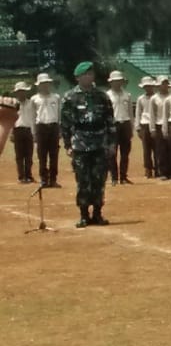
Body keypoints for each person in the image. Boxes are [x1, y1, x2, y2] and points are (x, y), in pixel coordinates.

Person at [60, 61, 115, 227]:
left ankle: (97, 213)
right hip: (80, 144)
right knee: (83, 180)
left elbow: (110, 121)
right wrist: (68, 145)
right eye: (85, 74)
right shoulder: (70, 97)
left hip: (99, 143)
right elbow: (65, 124)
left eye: (91, 74)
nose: (89, 77)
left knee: (99, 179)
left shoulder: (102, 97)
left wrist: (111, 143)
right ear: (78, 77)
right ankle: (84, 214)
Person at [32, 72, 61, 188]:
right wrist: (34, 132)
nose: (45, 86)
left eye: (47, 83)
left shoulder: (56, 97)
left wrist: (60, 130)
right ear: (38, 85)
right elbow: (32, 116)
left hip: (53, 126)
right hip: (41, 127)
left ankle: (53, 179)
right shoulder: (34, 99)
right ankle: (44, 179)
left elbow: (59, 115)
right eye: (42, 84)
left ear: (49, 84)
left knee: (54, 155)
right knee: (42, 155)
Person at [105, 70, 134, 184]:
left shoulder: (127, 95)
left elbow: (131, 113)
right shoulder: (107, 95)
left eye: (120, 81)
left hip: (125, 123)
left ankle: (123, 176)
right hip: (113, 124)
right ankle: (114, 177)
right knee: (112, 152)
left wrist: (131, 128)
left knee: (125, 152)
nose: (118, 83)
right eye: (115, 81)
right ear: (111, 82)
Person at [11, 82, 35, 183]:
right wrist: (11, 132)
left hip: (29, 130)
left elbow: (34, 118)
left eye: (23, 91)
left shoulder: (31, 103)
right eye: (19, 91)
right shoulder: (12, 104)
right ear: (16, 93)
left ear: (26, 92)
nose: (21, 93)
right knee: (19, 156)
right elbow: (11, 119)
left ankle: (28, 175)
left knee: (29, 155)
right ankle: (21, 176)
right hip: (17, 130)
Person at [151, 76, 171, 179]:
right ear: (158, 85)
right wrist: (153, 128)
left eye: (166, 83)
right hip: (159, 125)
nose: (164, 86)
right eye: (162, 84)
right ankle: (163, 172)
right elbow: (152, 114)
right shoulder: (154, 98)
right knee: (161, 150)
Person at [135, 76, 156, 178]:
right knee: (146, 149)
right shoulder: (141, 99)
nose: (148, 88)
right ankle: (148, 169)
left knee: (158, 148)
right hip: (144, 124)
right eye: (146, 86)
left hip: (156, 124)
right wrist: (138, 127)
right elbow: (138, 113)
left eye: (150, 86)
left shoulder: (156, 98)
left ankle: (158, 169)